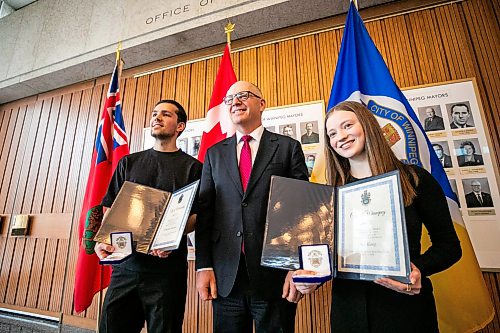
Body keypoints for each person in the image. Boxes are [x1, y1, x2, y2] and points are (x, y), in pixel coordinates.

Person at [295, 101, 461, 333]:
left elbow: (450, 246)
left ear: (367, 125)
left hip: (404, 308)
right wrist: (310, 278)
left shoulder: (415, 179)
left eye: (347, 125)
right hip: (348, 312)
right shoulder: (330, 193)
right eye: (332, 133)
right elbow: (331, 256)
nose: (340, 136)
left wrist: (417, 269)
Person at [195, 81, 309, 333]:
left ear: (262, 104)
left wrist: (296, 266)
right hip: (226, 276)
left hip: (275, 274)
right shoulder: (214, 154)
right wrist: (203, 265)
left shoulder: (288, 148)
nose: (235, 101)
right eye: (230, 98)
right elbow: (205, 212)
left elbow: (301, 211)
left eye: (244, 96)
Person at [94, 100, 203, 333]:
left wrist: (169, 238)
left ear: (180, 126)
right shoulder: (128, 162)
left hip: (167, 273)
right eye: (154, 113)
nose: (157, 118)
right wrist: (103, 239)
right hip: (125, 267)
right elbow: (109, 208)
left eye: (165, 114)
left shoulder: (194, 168)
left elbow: (196, 216)